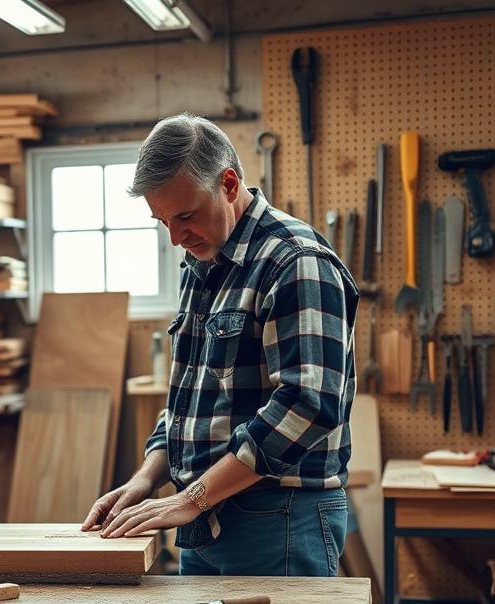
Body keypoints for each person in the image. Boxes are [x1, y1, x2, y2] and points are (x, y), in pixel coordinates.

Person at [81, 114, 359, 577]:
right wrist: (146, 480)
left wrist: (191, 497)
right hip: (204, 519)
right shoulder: (202, 262)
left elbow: (308, 405)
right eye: (163, 221)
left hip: (279, 520)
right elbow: (189, 399)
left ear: (229, 184)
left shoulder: (296, 261)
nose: (175, 238)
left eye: (185, 216)